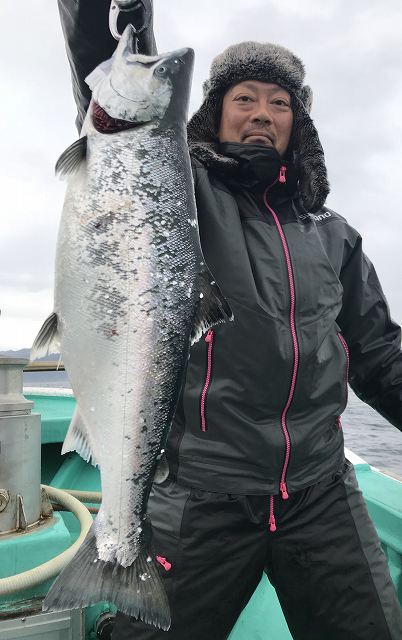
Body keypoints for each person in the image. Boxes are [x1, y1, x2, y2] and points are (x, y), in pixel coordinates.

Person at [57, 2, 402, 638]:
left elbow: (381, 355)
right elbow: (112, 93)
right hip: (200, 493)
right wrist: (116, 15)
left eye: (280, 103)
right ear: (215, 111)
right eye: (245, 97)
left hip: (320, 490)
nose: (263, 114)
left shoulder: (335, 237)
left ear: (299, 124)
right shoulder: (178, 192)